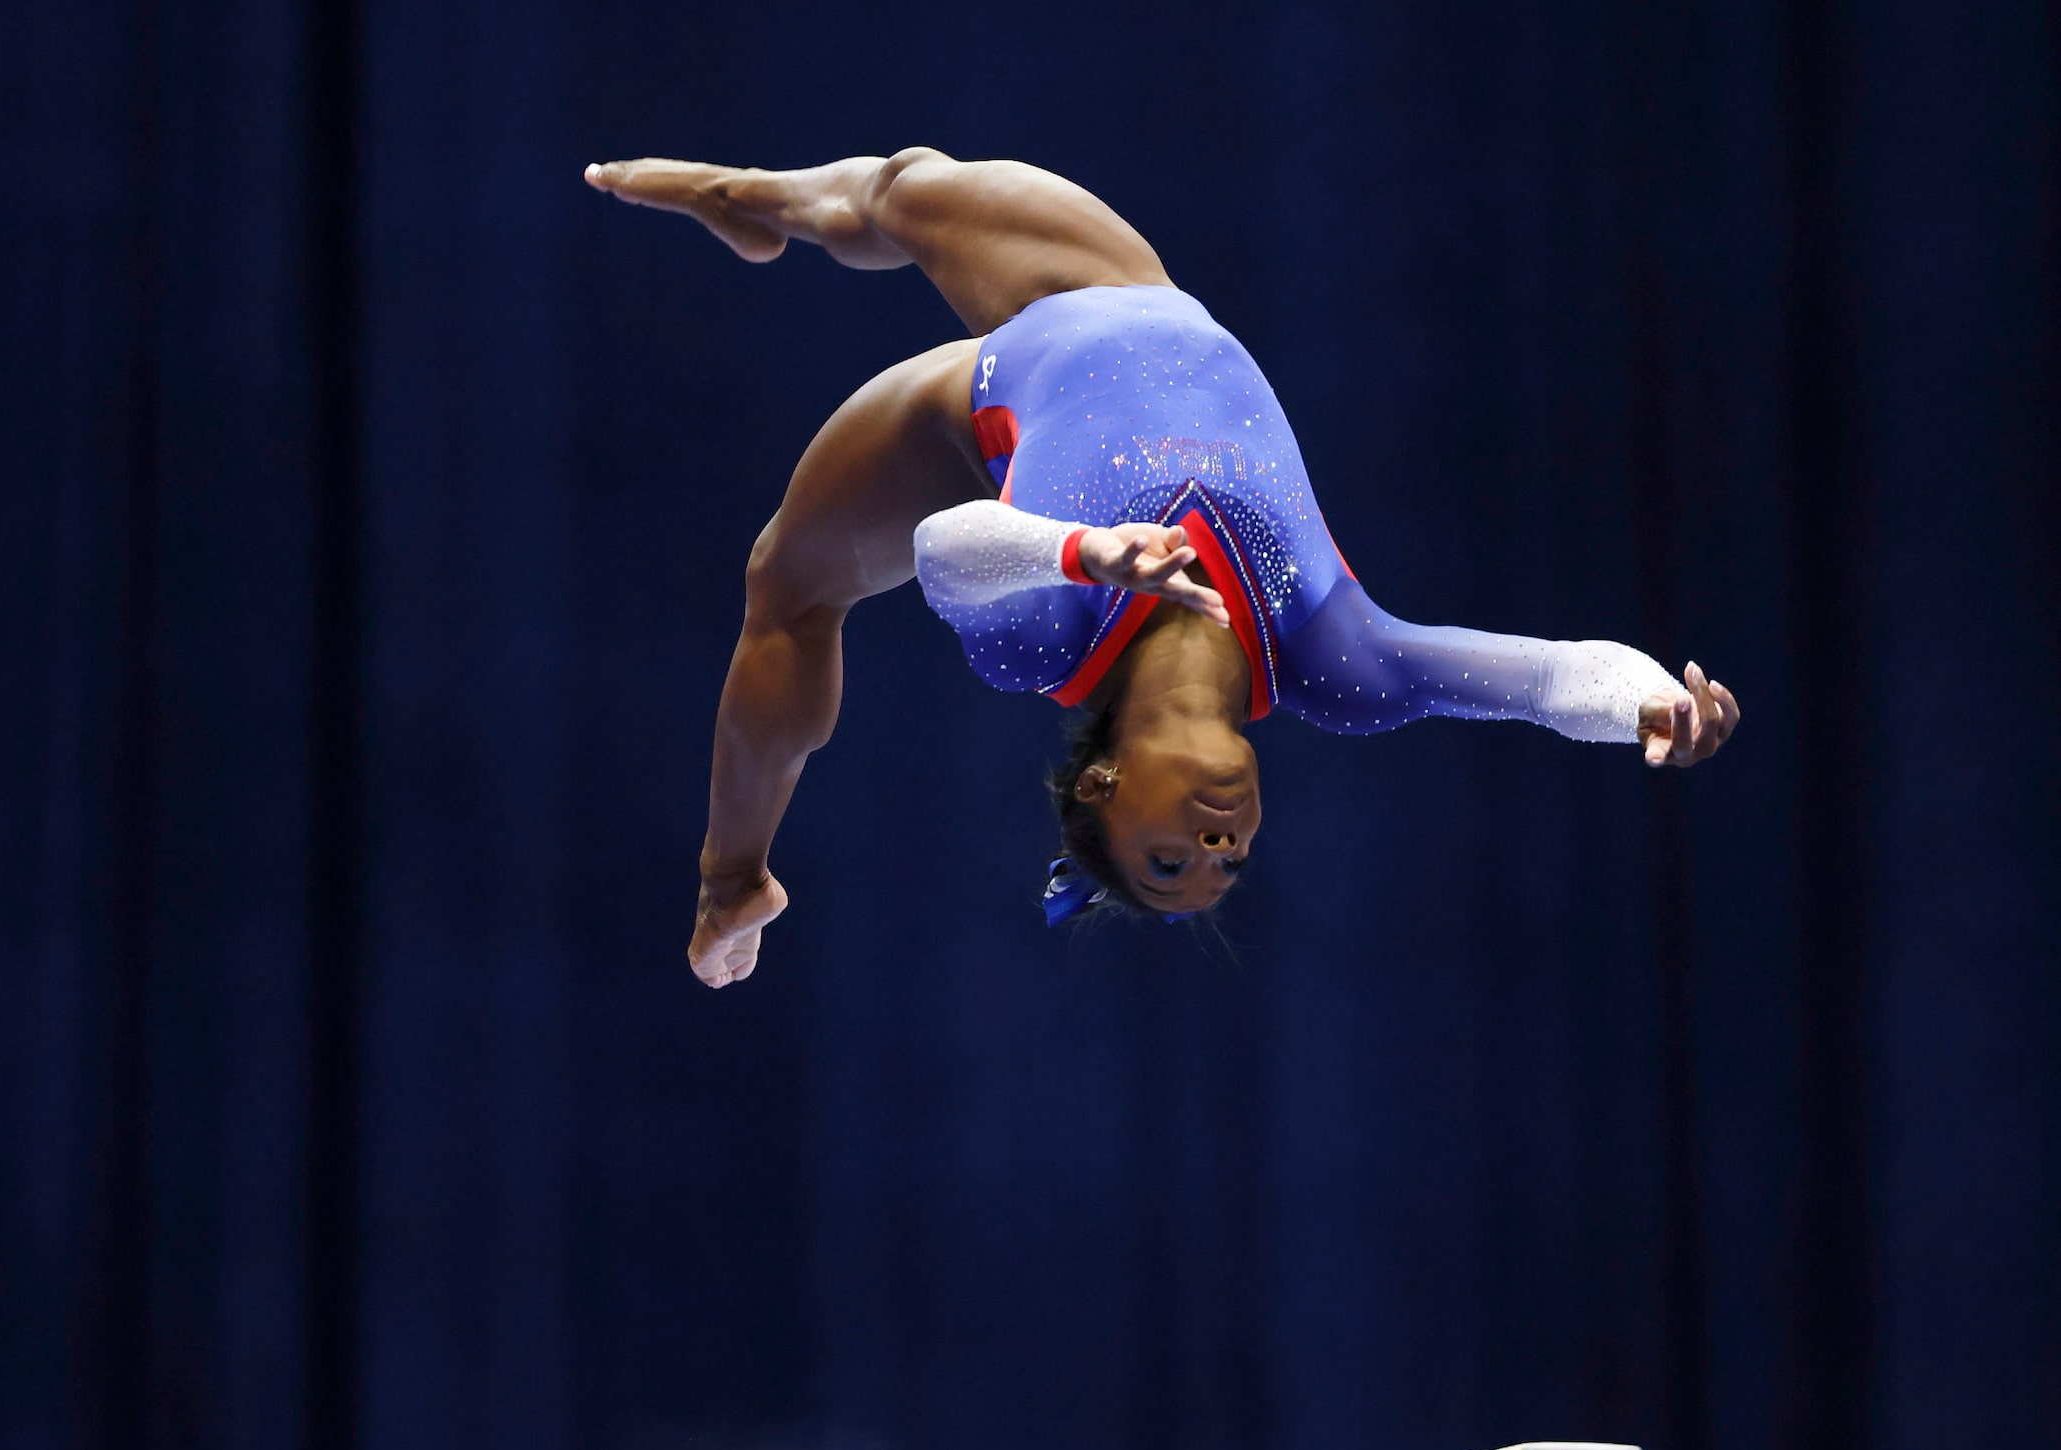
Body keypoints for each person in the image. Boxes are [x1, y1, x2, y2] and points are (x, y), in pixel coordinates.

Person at [584, 151, 1739, 988]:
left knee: (784, 586)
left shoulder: (1045, 642)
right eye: (1223, 864)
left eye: (1168, 856)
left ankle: (728, 877)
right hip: (1124, 296)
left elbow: (943, 551)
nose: (1218, 840)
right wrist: (1647, 700)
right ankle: (760, 205)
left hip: (968, 413)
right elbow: (1537, 681)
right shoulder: (1330, 663)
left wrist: (1079, 550)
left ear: (1099, 788)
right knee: (902, 189)